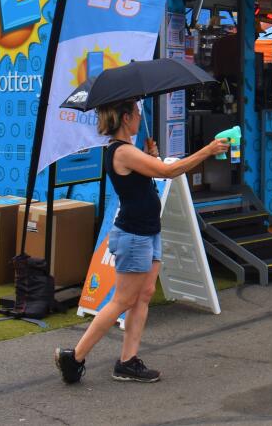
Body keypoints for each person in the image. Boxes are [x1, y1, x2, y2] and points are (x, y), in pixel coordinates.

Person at [55, 99, 229, 384]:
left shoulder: (130, 151)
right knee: (122, 300)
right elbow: (168, 172)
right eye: (136, 113)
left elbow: (152, 175)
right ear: (126, 118)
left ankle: (127, 361)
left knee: (144, 294)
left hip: (148, 230)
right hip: (134, 235)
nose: (139, 117)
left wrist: (153, 156)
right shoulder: (121, 151)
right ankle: (74, 357)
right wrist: (208, 150)